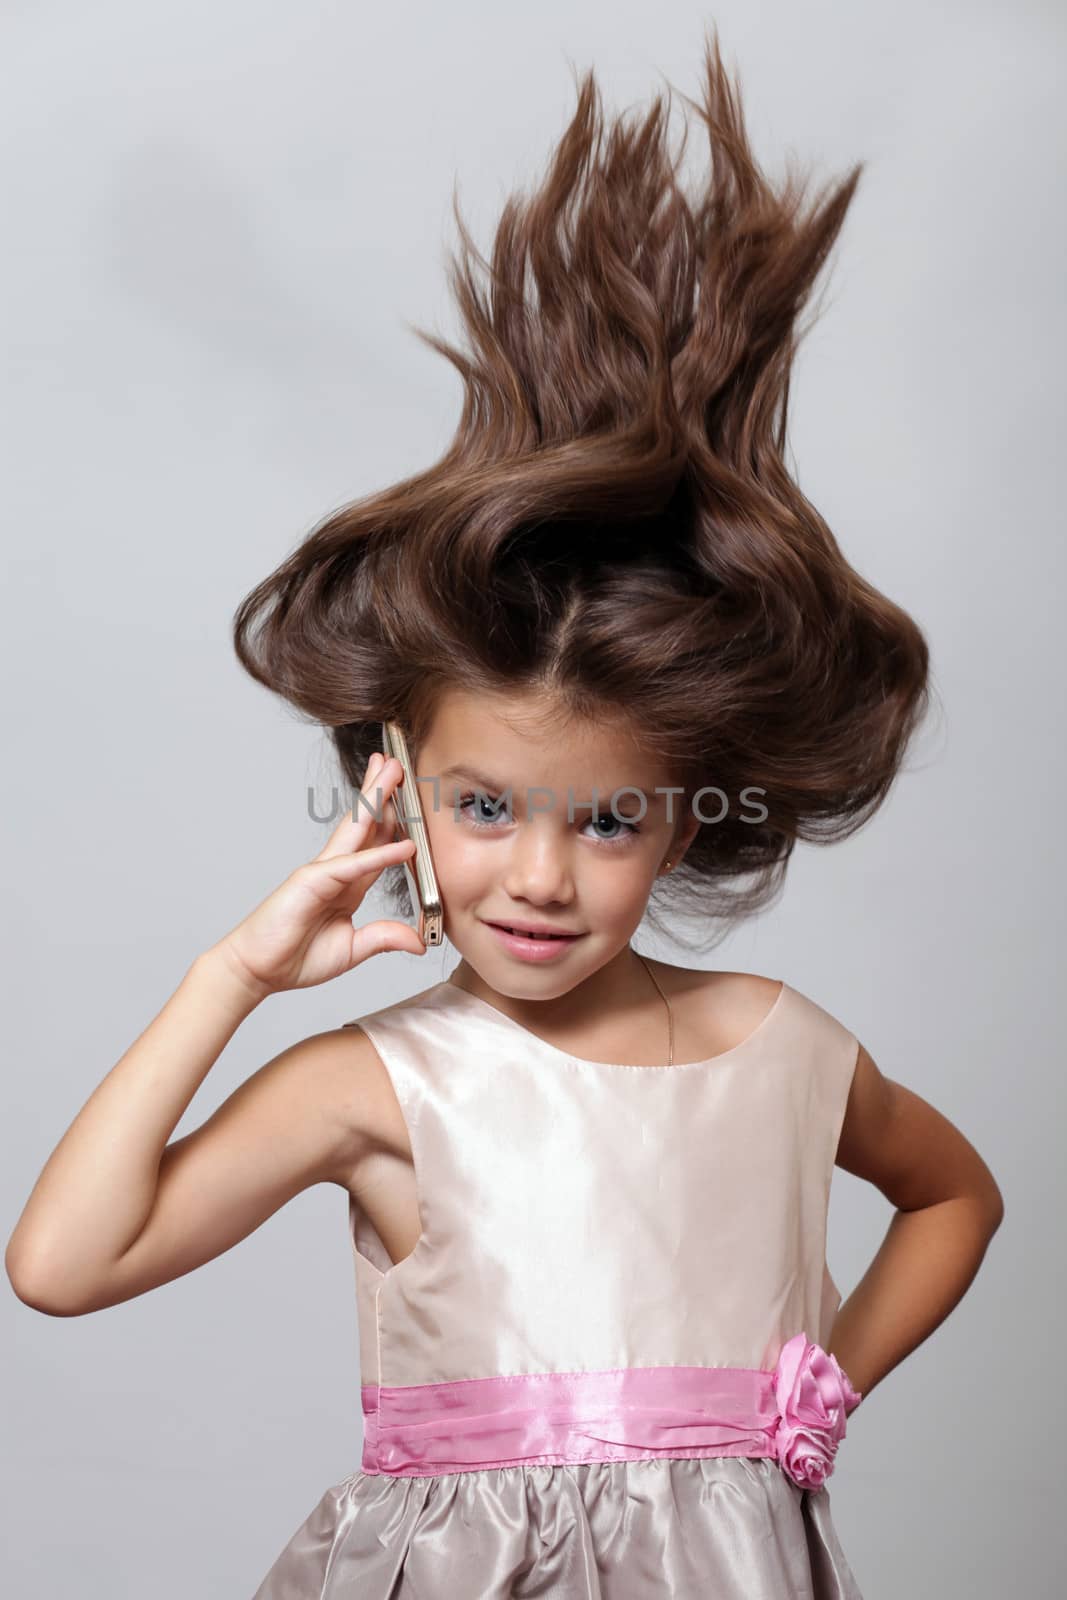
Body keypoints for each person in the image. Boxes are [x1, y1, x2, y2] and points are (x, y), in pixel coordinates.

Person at [5, 27, 1005, 1599]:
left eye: (608, 822)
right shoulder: (382, 1085)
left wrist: (819, 1395)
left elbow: (958, 1194)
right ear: (395, 774)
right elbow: (61, 1267)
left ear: (689, 818)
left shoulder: (790, 1050)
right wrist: (234, 982)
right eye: (482, 807)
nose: (537, 876)